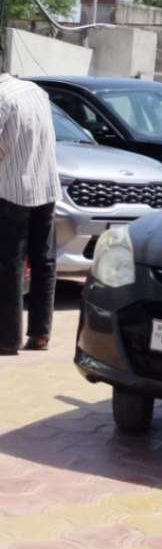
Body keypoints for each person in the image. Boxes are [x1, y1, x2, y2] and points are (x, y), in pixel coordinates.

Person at [0, 73, 60, 355]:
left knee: (9, 264)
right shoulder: (35, 91)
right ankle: (40, 334)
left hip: (11, 190)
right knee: (43, 261)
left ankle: (7, 339)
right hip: (45, 185)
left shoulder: (2, 98)